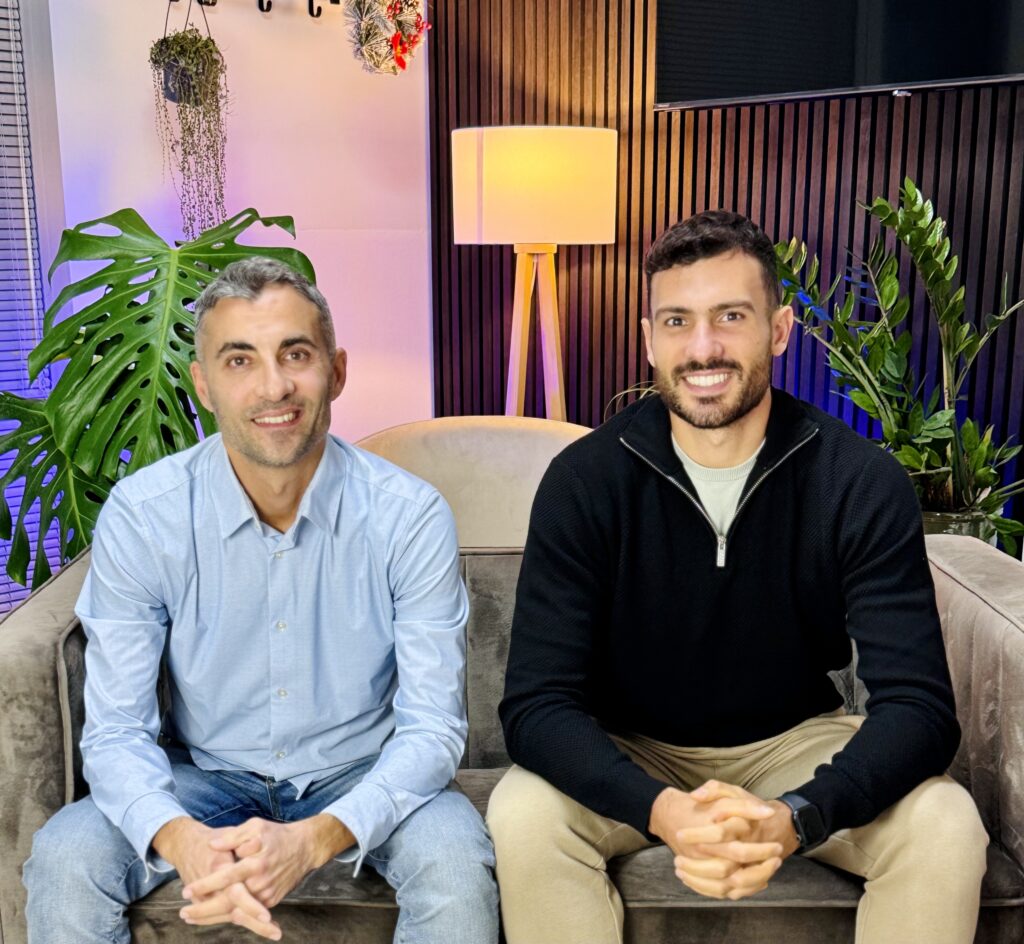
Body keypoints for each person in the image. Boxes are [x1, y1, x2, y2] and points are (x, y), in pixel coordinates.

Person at [487, 210, 988, 944]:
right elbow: (535, 706)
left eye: (731, 316)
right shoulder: (583, 481)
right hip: (631, 747)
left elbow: (919, 708)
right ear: (649, 338)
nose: (703, 348)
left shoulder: (857, 480)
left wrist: (796, 818)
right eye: (678, 321)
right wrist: (661, 809)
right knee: (523, 812)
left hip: (794, 743)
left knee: (945, 823)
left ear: (779, 330)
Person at [23, 258, 498, 944]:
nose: (273, 386)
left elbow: (432, 728)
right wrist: (181, 839)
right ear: (204, 384)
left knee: (455, 867)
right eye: (239, 360)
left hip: (363, 771)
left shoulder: (409, 515)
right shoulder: (145, 514)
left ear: (336, 371)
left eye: (295, 354)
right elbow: (117, 731)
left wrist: (315, 839)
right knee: (67, 856)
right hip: (203, 778)